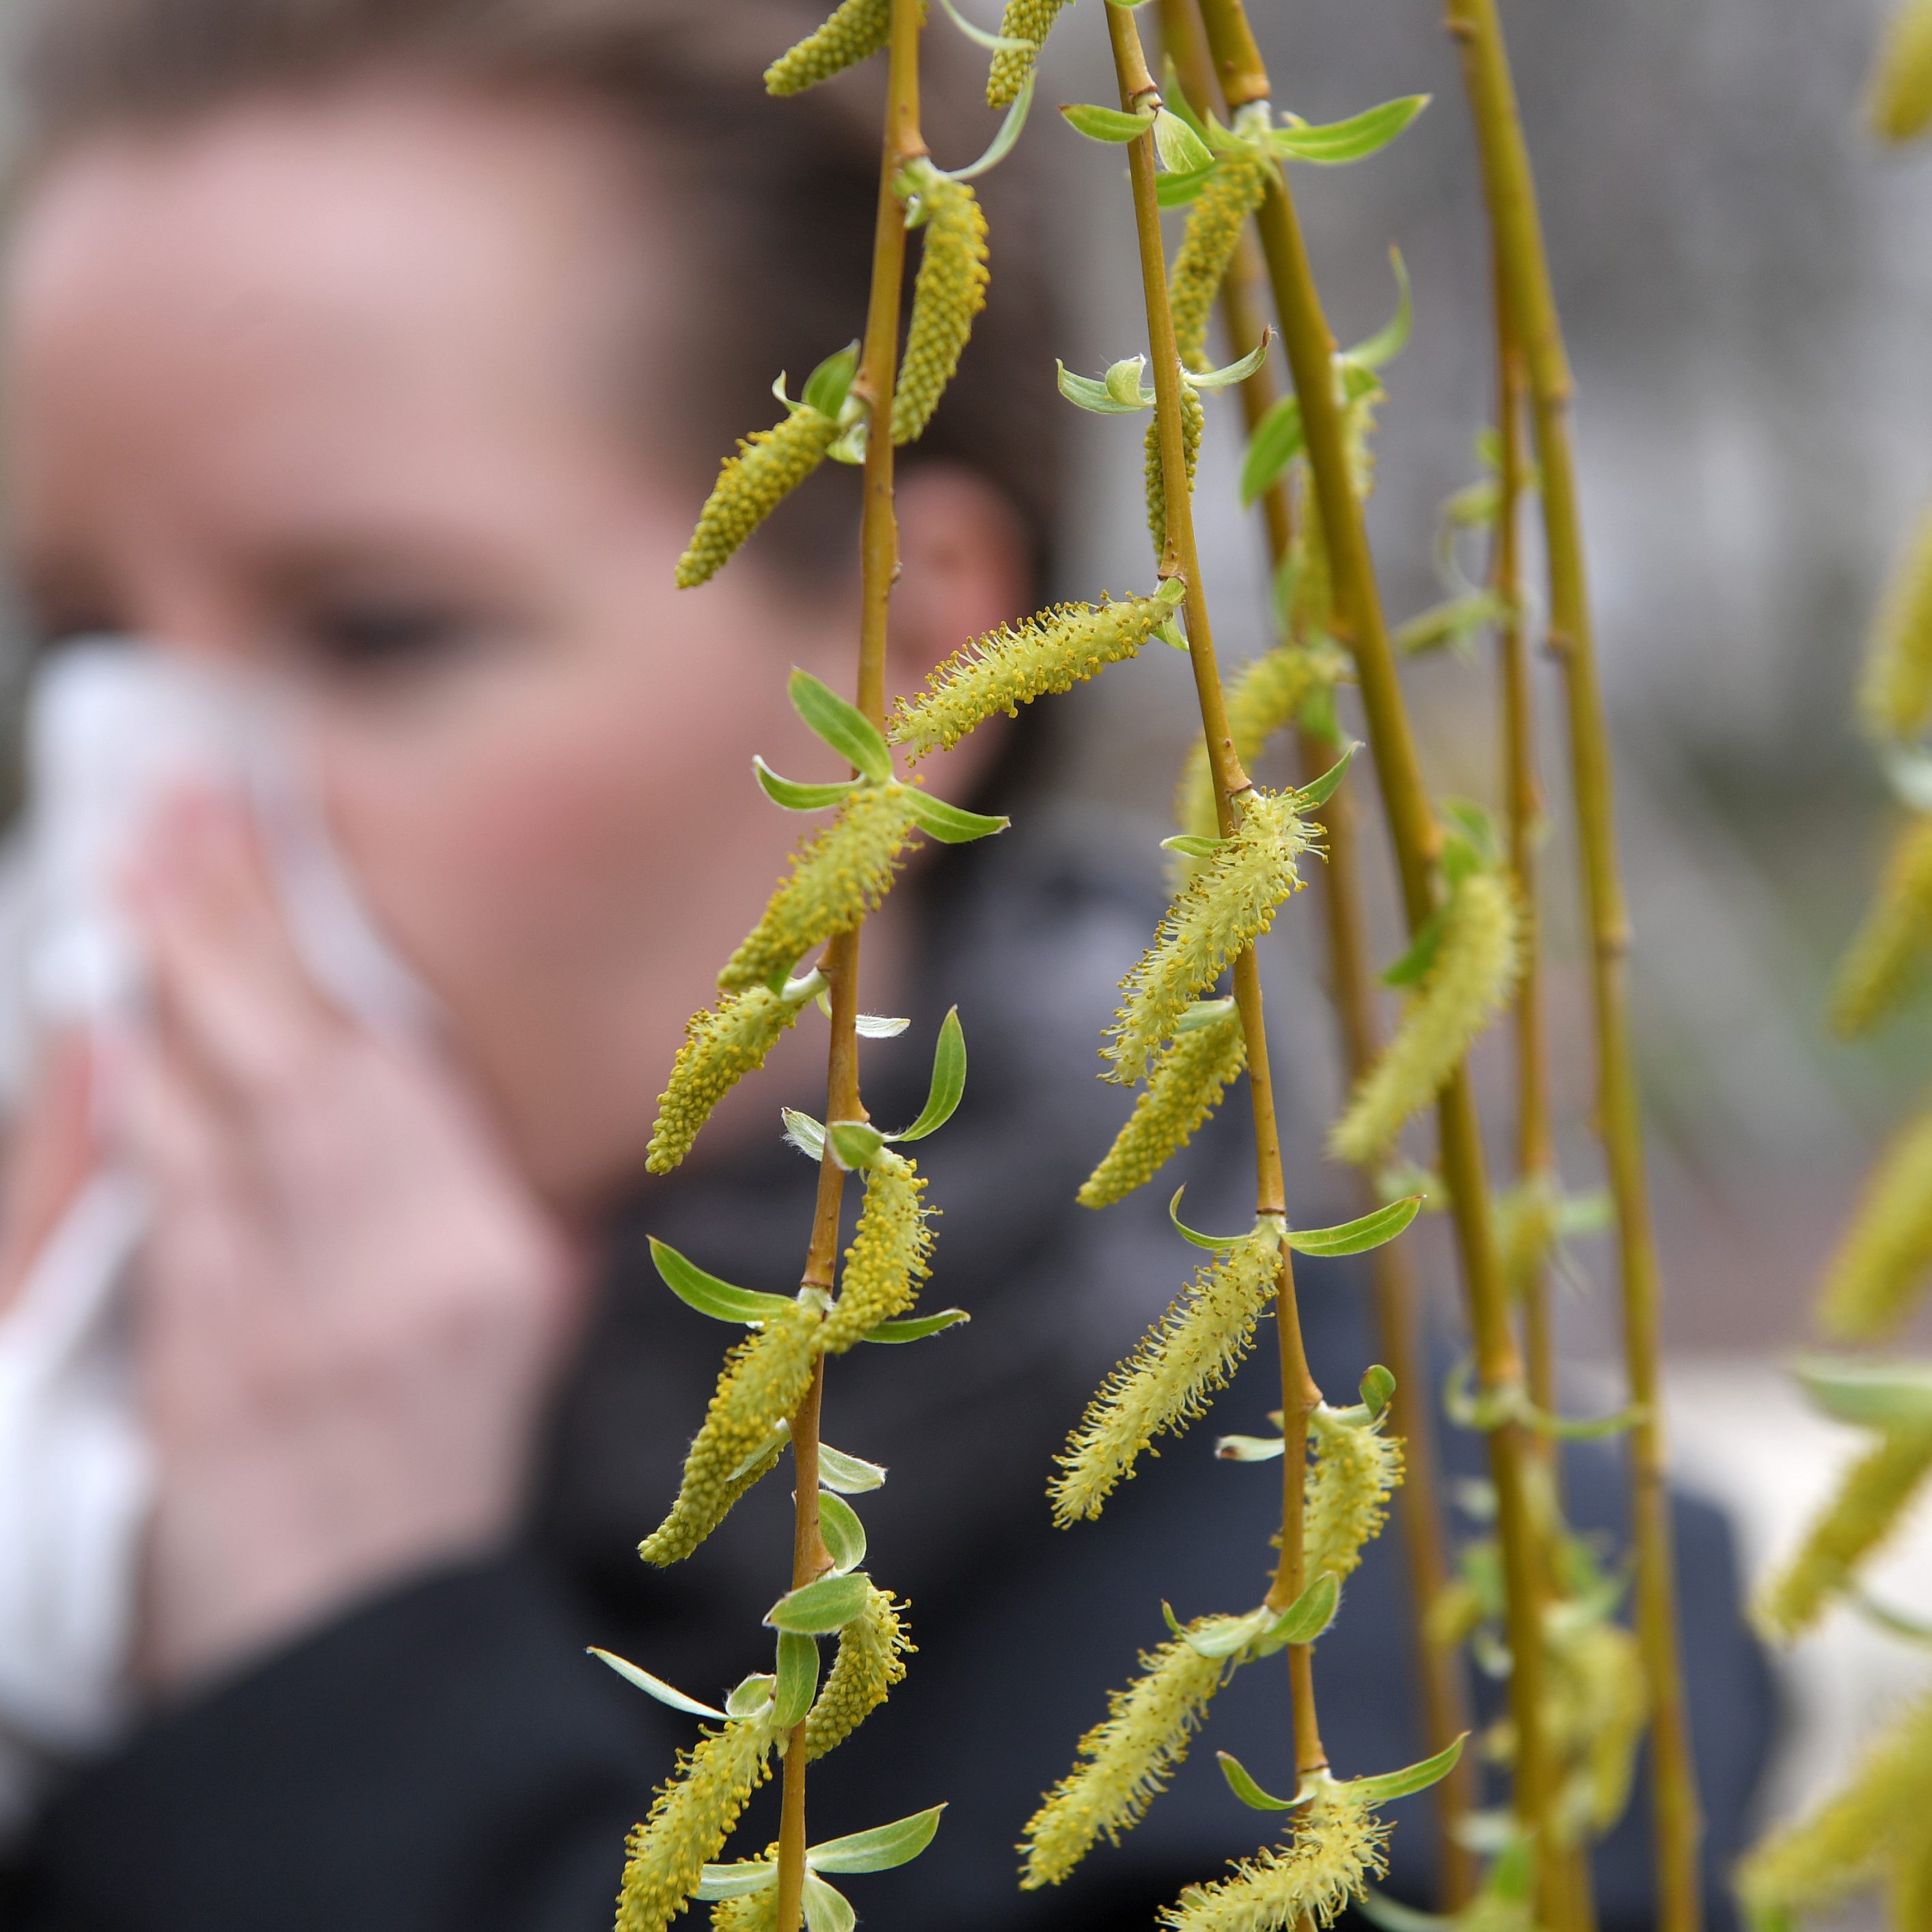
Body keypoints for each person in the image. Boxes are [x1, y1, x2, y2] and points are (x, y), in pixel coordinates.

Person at [0, 0, 1773, 1927]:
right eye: (80, 643)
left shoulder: (1433, 1632)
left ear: (911, 642)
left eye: (379, 630)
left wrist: (344, 1665)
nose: (156, 814)